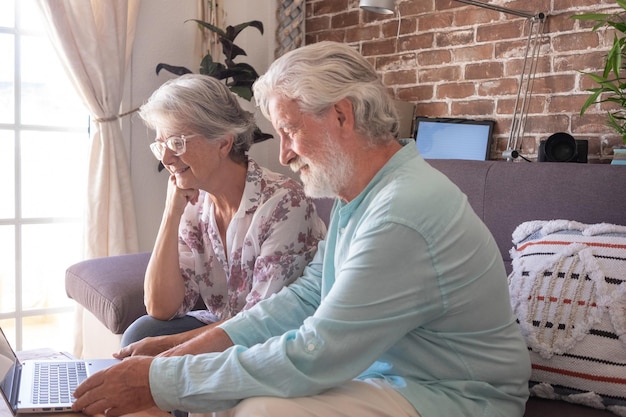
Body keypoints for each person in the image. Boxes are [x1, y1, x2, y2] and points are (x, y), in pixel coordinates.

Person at [72, 41, 531, 417]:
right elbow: (305, 299)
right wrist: (178, 350)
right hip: (390, 374)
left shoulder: (401, 212)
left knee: (259, 412)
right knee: (234, 398)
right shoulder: (362, 199)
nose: (285, 154)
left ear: (341, 116)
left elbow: (318, 350)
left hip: (460, 397)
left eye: (290, 131)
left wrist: (159, 380)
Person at [120, 73, 327, 347]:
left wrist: (170, 346)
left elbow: (261, 321)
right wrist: (171, 214)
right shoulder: (195, 202)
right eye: (162, 146)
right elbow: (160, 307)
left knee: (152, 344)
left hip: (276, 338)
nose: (167, 159)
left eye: (177, 143)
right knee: (141, 331)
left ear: (223, 142)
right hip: (227, 324)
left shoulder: (284, 203)